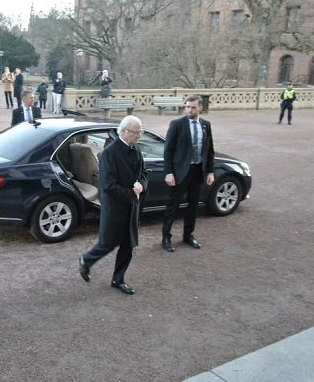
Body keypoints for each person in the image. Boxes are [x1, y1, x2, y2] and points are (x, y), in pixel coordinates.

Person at [78, 116, 149, 295]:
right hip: (115, 207)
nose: (139, 136)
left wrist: (142, 185)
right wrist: (132, 193)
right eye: (136, 132)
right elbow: (108, 185)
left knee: (128, 244)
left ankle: (118, 279)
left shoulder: (136, 149)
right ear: (124, 131)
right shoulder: (110, 153)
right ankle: (87, 260)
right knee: (108, 242)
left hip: (131, 206)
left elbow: (144, 173)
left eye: (140, 132)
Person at [161, 95, 215, 253]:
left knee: (193, 206)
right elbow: (168, 150)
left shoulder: (206, 125)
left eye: (193, 107)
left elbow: (209, 150)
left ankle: (188, 235)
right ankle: (166, 237)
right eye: (187, 107)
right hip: (180, 172)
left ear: (200, 108)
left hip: (198, 171)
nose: (190, 110)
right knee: (173, 205)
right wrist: (169, 172)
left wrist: (210, 171)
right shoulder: (177, 124)